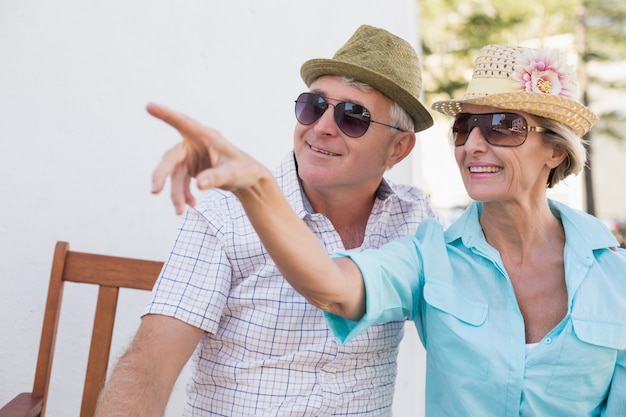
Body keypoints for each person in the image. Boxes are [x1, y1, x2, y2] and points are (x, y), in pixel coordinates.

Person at [142, 44, 626, 416]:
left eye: (502, 126)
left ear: (555, 150)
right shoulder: (430, 252)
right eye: (464, 128)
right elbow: (333, 287)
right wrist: (257, 186)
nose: (473, 144)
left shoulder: (614, 273)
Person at [95, 25, 442, 416]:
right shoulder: (223, 215)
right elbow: (149, 367)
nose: (322, 127)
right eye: (314, 105)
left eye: (353, 116)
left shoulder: (414, 219)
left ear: (398, 148)